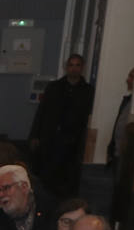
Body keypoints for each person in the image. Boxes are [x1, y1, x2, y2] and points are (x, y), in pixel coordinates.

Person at [30, 54, 95, 197]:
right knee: (48, 175)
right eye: (71, 65)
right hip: (51, 139)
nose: (74, 69)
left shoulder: (88, 91)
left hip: (73, 142)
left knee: (69, 178)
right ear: (66, 68)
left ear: (82, 68)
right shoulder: (54, 88)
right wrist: (35, 135)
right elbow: (42, 112)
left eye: (77, 65)